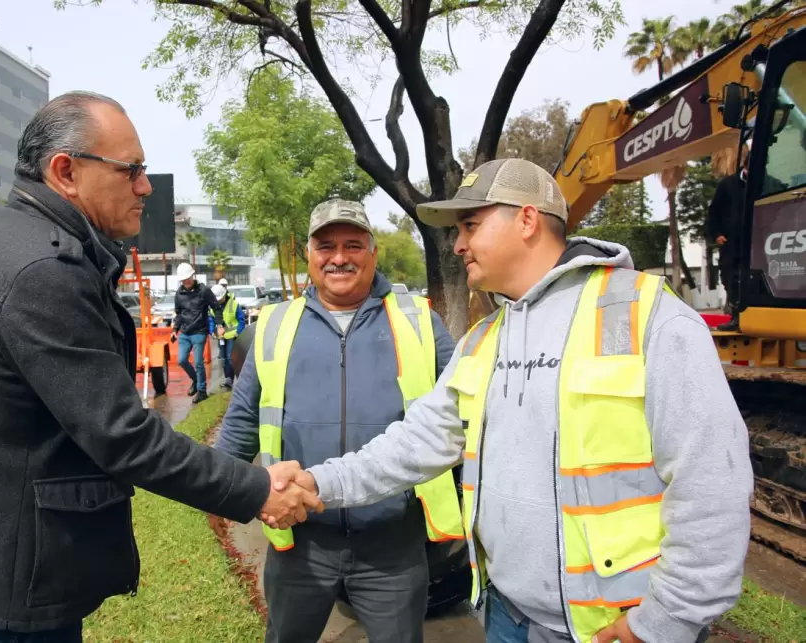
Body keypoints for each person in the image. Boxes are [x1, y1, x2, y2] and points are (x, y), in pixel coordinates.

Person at [0, 91, 323, 643]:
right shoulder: (41, 271)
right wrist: (255, 487)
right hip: (11, 562)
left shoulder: (0, 236)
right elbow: (123, 435)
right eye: (132, 170)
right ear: (66, 171)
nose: (145, 186)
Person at [276, 159, 753, 643]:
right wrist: (316, 481)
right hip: (507, 617)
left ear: (526, 221)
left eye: (471, 225)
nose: (458, 244)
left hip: (614, 627)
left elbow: (712, 484)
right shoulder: (484, 341)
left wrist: (663, 623)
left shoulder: (647, 317)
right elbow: (413, 444)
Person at [217, 199, 460, 643]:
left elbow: (463, 414)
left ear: (373, 253)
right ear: (308, 256)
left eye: (353, 245)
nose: (339, 257)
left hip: (392, 544)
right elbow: (241, 422)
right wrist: (216, 492)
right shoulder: (275, 325)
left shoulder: (419, 322)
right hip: (301, 543)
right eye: (326, 246)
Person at [707, 146, 749, 331]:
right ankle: (735, 316)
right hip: (732, 242)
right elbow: (714, 212)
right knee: (731, 277)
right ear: (746, 166)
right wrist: (717, 234)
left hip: (757, 241)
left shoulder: (769, 183)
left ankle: (749, 314)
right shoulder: (727, 185)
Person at [170, 262, 223, 402]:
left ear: (193, 276)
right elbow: (179, 313)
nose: (186, 281)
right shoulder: (179, 294)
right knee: (181, 360)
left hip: (199, 331)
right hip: (185, 332)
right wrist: (175, 329)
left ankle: (201, 391)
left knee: (199, 362)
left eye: (188, 278)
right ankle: (195, 380)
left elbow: (216, 308)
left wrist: (219, 325)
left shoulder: (204, 291)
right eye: (183, 279)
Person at [208, 283, 246, 389]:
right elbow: (211, 320)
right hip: (221, 337)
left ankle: (231, 378)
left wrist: (238, 332)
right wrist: (212, 331)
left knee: (230, 357)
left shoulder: (233, 304)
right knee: (224, 359)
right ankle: (228, 378)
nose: (218, 301)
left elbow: (241, 320)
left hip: (232, 336)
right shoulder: (213, 307)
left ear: (225, 295)